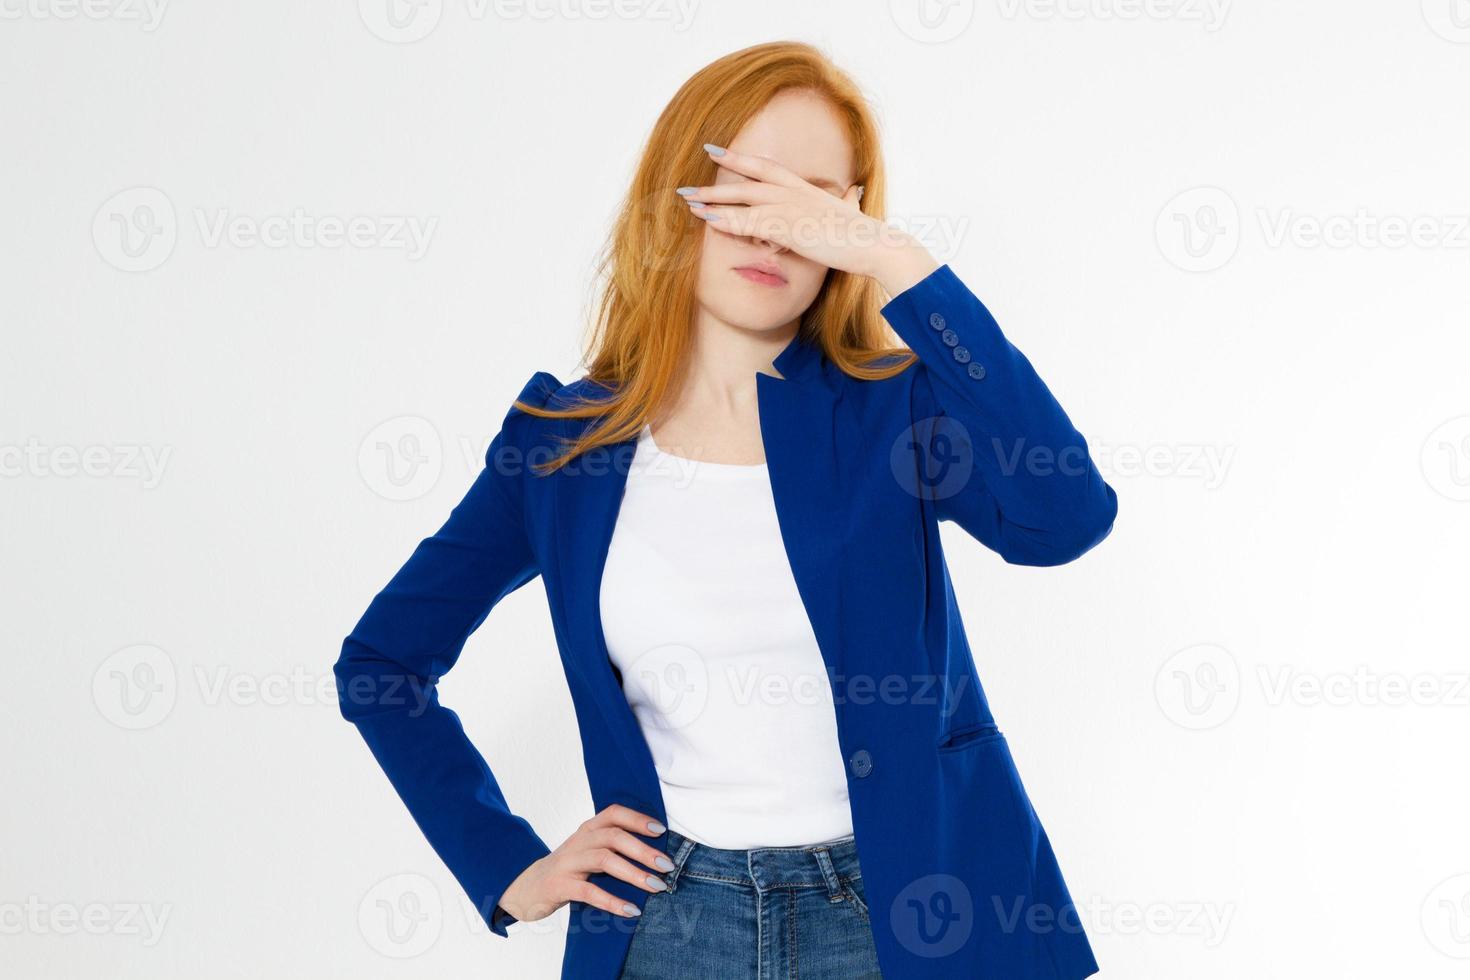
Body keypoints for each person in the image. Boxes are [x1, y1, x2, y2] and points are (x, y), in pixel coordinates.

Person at [334, 40, 1117, 980]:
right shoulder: (557, 445)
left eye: (812, 205)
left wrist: (892, 258)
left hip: (914, 915)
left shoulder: (893, 413)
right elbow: (381, 663)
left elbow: (1066, 517)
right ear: (676, 202)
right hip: (669, 925)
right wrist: (509, 869)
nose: (772, 231)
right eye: (743, 189)